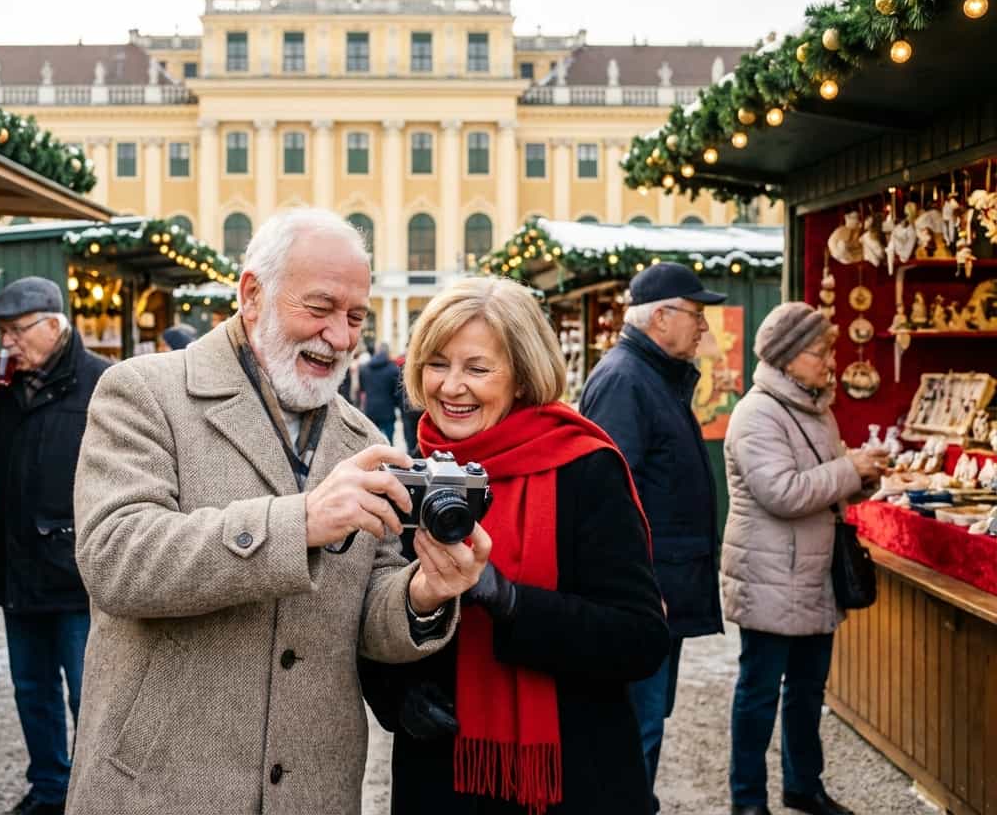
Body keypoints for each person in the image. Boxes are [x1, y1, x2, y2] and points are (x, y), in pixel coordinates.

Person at [64, 208, 491, 814]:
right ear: (252, 294)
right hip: (161, 786)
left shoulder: (361, 436)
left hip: (313, 794)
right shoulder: (143, 392)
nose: (341, 338)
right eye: (319, 309)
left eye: (355, 317)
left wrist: (423, 595)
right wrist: (301, 522)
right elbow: (116, 560)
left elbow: (369, 618)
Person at [370, 276, 670, 815]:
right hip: (443, 775)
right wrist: (397, 695)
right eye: (437, 363)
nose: (451, 386)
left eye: (478, 368)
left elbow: (640, 638)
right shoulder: (410, 473)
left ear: (523, 377)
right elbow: (366, 619)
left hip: (570, 779)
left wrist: (506, 599)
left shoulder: (584, 467)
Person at [0, 277, 108, 815]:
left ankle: (94, 795)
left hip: (76, 570)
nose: (6, 343)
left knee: (91, 697)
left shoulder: (101, 383)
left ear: (53, 324)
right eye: (2, 333)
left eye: (16, 331)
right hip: (16, 564)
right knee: (31, 692)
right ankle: (49, 790)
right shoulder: (1, 386)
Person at [723, 303, 887, 815]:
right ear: (789, 357)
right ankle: (747, 799)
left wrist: (864, 475)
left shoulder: (817, 407)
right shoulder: (757, 414)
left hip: (813, 575)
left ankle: (803, 785)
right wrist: (847, 468)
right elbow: (782, 493)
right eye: (820, 353)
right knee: (759, 693)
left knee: (807, 691)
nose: (830, 362)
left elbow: (827, 488)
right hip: (770, 574)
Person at [577, 261, 728, 813]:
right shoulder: (626, 380)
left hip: (663, 586)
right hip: (646, 595)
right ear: (661, 318)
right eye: (697, 315)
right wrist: (635, 587)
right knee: (635, 726)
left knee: (647, 720)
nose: (704, 328)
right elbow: (610, 499)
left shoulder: (649, 376)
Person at [358, 340, 403, 443]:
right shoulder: (393, 369)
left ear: (376, 351)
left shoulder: (365, 368)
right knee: (388, 442)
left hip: (370, 410)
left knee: (371, 443)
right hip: (387, 411)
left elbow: (362, 389)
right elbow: (397, 392)